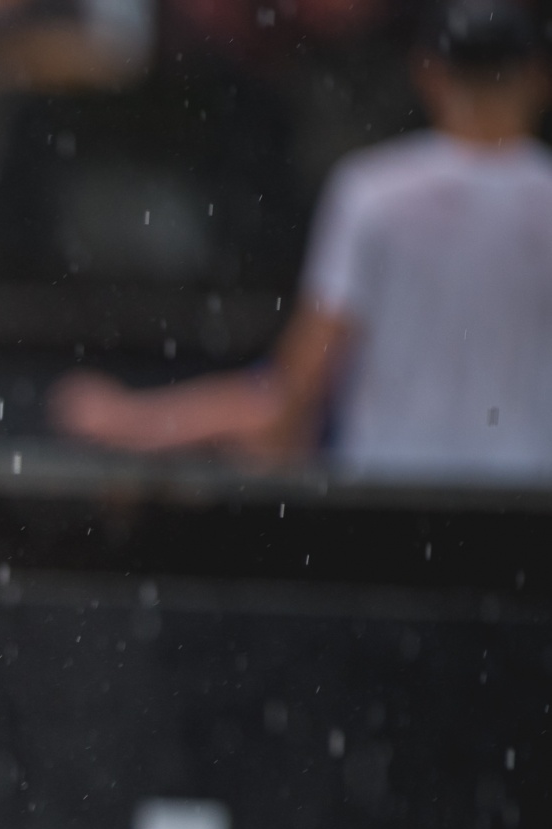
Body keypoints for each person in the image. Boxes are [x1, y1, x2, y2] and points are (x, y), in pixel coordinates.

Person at [51, 0, 552, 480]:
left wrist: (140, 424)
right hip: (526, 507)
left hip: (393, 500)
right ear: (538, 79)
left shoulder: (374, 194)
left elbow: (303, 380)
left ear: (430, 74)